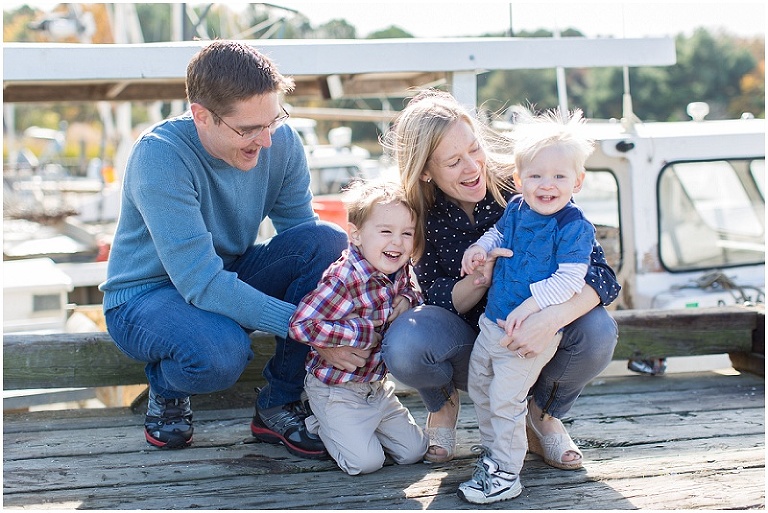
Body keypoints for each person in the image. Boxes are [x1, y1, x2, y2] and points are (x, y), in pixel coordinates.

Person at [99, 40, 348, 459]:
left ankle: (279, 403)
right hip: (145, 297)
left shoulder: (280, 142)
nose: (265, 140)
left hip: (225, 275)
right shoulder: (159, 157)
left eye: (272, 121)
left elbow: (305, 246)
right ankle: (167, 386)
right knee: (220, 355)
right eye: (248, 129)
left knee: (326, 242)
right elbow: (200, 282)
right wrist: (313, 330)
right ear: (201, 116)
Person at [378, 89, 620, 469]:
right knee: (406, 343)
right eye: (453, 161)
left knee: (598, 331)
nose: (472, 167)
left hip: (533, 335)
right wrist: (479, 279)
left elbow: (600, 275)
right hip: (472, 341)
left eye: (474, 149)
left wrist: (548, 319)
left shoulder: (529, 182)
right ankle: (443, 406)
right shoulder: (418, 212)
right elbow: (436, 297)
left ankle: (540, 416)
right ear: (426, 170)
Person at [456, 108, 598, 504]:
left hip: (530, 331)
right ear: (519, 180)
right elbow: (496, 232)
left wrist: (534, 305)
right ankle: (494, 455)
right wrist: (479, 249)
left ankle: (506, 473)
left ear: (578, 181)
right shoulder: (517, 209)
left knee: (506, 397)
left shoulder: (574, 226)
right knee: (481, 388)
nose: (546, 185)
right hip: (492, 323)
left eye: (558, 176)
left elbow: (571, 280)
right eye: (535, 176)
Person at [288, 179, 429, 475]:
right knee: (366, 463)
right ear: (356, 235)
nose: (398, 242)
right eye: (386, 232)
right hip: (336, 391)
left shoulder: (398, 270)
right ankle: (321, 423)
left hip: (376, 389)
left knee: (415, 451)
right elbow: (301, 324)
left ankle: (359, 429)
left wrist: (407, 298)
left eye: (407, 233)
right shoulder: (343, 279)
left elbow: (414, 295)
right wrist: (361, 332)